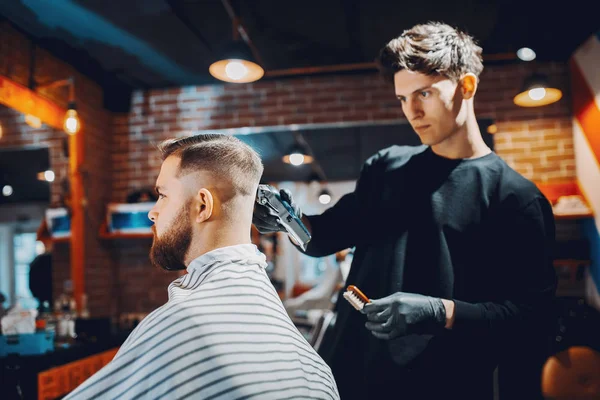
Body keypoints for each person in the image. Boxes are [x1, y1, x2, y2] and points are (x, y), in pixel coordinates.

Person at [253, 21, 557, 400]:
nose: (411, 110)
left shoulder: (514, 197)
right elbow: (325, 235)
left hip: (443, 384)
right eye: (402, 98)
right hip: (350, 371)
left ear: (467, 87)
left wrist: (440, 311)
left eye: (424, 93)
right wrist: (286, 220)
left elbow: (530, 316)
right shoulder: (387, 168)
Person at [65, 134, 339, 400]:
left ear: (203, 205)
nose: (152, 211)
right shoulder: (314, 366)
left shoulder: (178, 327)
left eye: (162, 195)